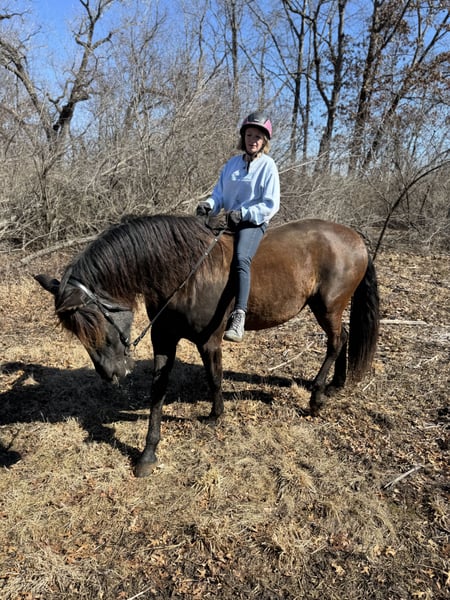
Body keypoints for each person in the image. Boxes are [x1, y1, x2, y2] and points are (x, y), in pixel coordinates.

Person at [196, 111, 280, 342]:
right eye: (249, 135)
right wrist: (209, 205)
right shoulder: (232, 164)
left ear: (264, 141)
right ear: (243, 137)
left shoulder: (268, 166)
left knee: (241, 258)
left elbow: (271, 204)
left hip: (252, 223)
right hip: (229, 220)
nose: (253, 140)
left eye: (258, 137)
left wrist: (244, 213)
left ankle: (239, 316)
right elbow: (220, 194)